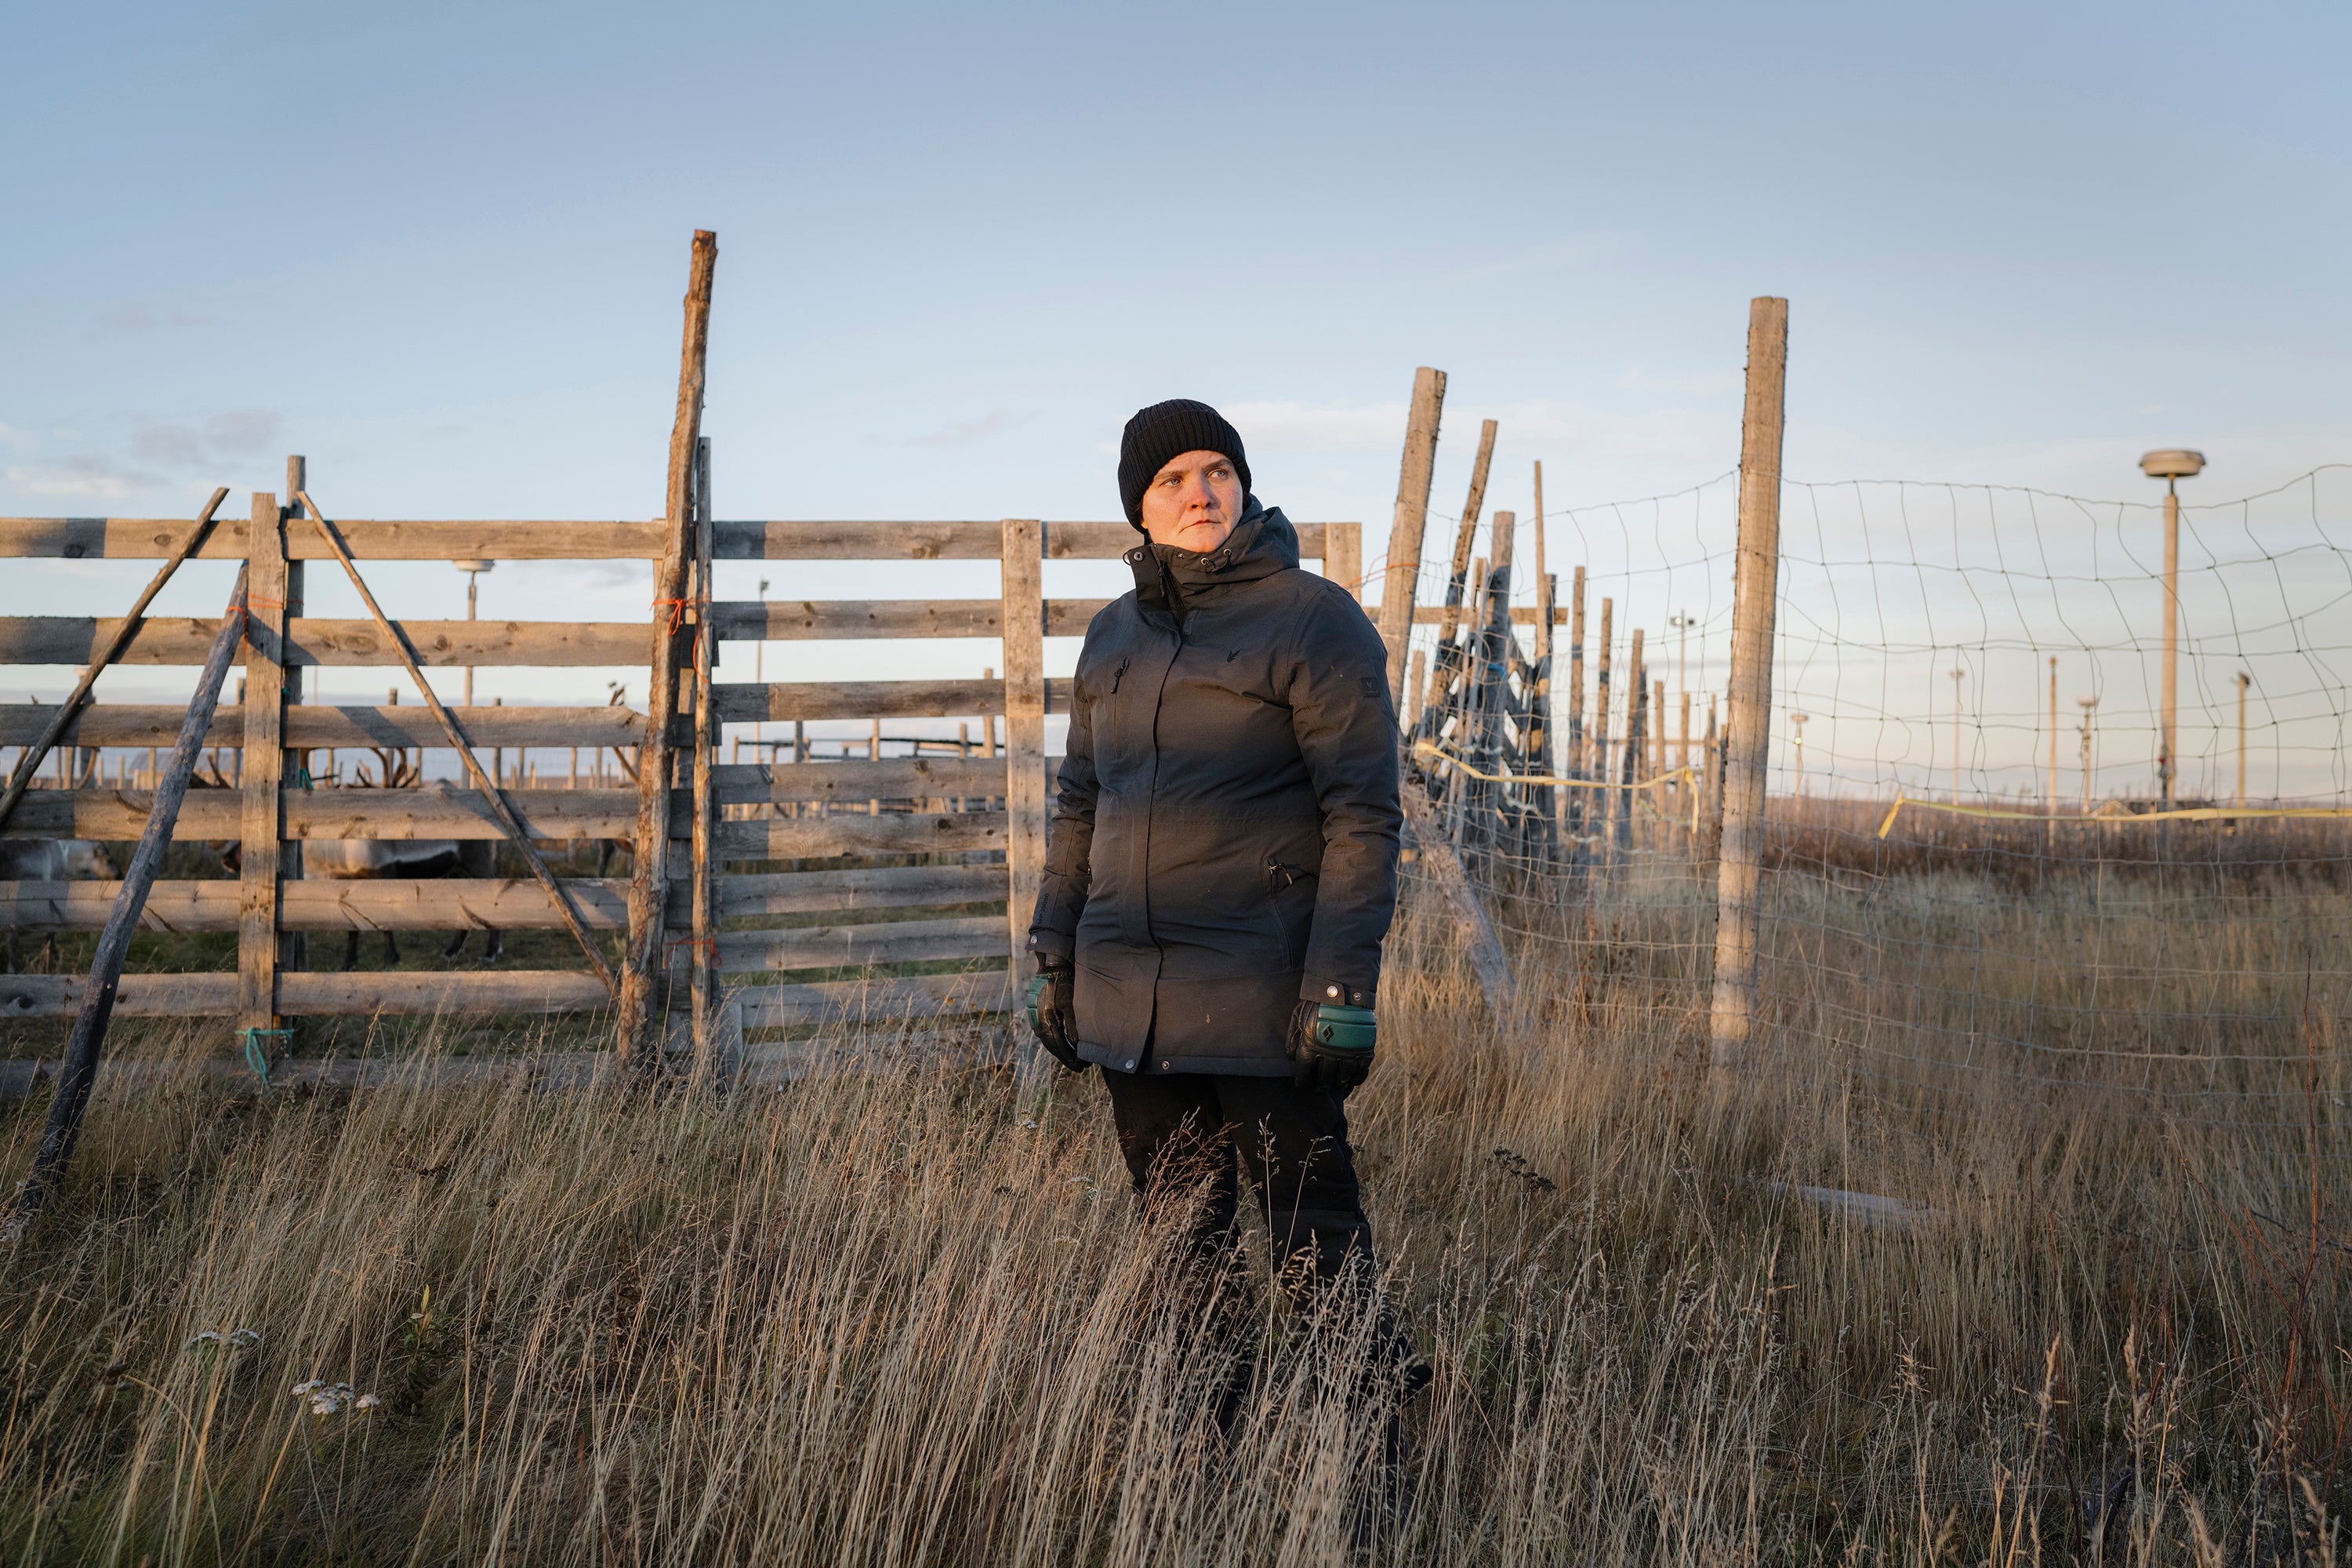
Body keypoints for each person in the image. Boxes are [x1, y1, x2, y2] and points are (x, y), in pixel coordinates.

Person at [1022, 398, 1417, 1366]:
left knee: (1313, 1246)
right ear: (1139, 508)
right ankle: (1205, 1453)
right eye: (1173, 479)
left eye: (1218, 471)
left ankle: (1362, 1472)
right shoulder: (1113, 637)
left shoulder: (1313, 619)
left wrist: (1340, 988)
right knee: (1179, 1249)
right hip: (1133, 1007)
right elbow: (1081, 804)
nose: (1201, 492)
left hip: (1264, 1002)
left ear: (1242, 483)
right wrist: (1054, 953)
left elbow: (1361, 817)